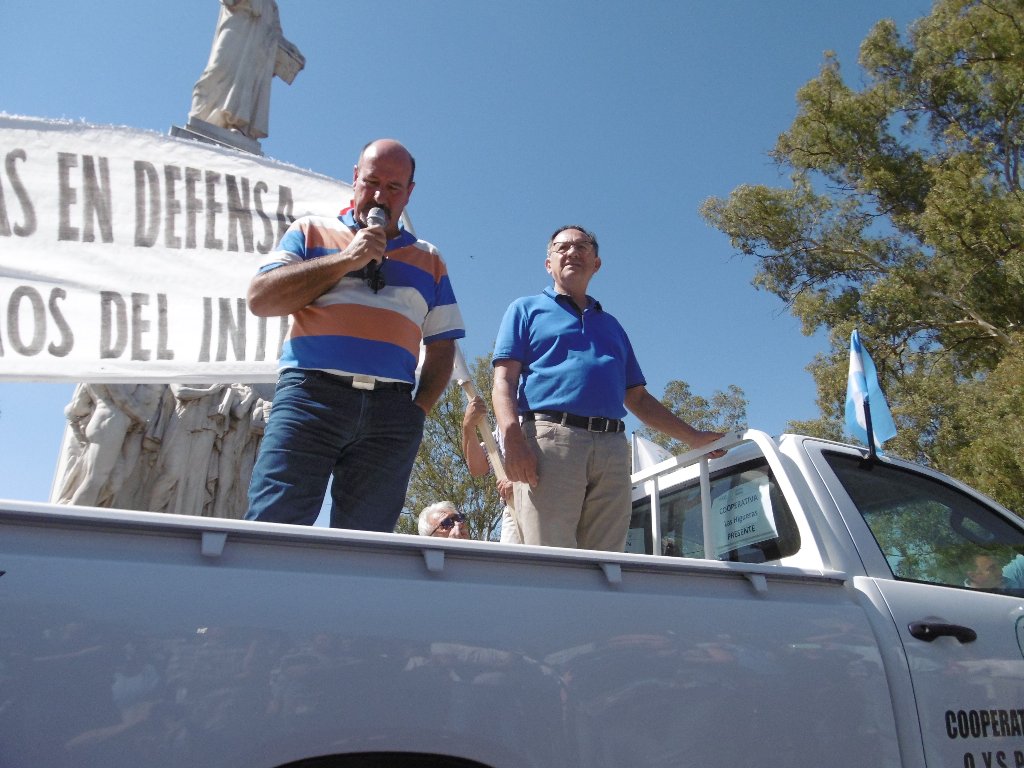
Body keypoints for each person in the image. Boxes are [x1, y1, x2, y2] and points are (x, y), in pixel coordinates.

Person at [245, 139, 464, 531]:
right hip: (310, 398)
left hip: (391, 412)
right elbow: (262, 298)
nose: (380, 195)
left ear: (409, 193)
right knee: (274, 525)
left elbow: (442, 344)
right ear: (354, 179)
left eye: (394, 187)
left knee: (368, 542)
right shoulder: (311, 231)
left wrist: (417, 412)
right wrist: (348, 259)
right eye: (372, 182)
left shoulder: (430, 259)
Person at [492, 225, 725, 552]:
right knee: (551, 559)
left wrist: (693, 437)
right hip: (549, 441)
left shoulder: (612, 325)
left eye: (582, 247)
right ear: (548, 264)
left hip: (612, 448)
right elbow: (503, 381)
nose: (572, 252)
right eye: (562, 248)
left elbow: (638, 397)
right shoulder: (524, 310)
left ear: (596, 263)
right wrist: (513, 439)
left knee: (606, 562)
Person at [189, 0, 285, 140]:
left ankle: (237, 124)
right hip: (236, 24)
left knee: (245, 81)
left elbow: (276, 32)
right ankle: (200, 114)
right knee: (217, 68)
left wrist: (286, 52)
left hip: (256, 44)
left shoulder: (271, 4)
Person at [462, 395, 519, 543]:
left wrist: (520, 482)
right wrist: (468, 426)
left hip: (545, 502)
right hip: (513, 508)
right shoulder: (505, 422)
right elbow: (477, 467)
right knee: (510, 563)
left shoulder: (547, 414)